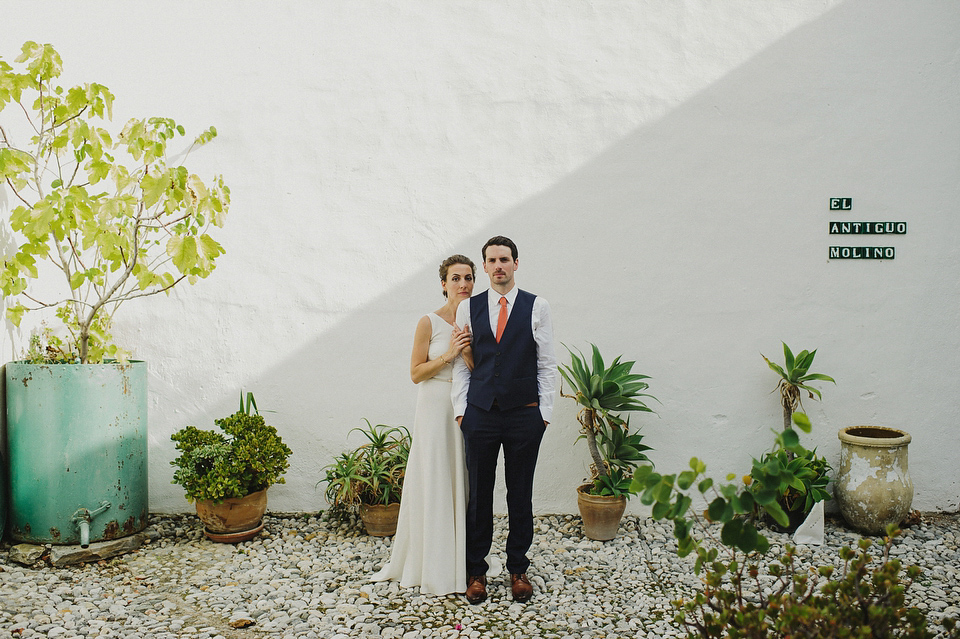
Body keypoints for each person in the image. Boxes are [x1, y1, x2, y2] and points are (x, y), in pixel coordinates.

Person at [371, 254, 501, 595]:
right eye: (456, 278)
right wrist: (449, 354)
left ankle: (466, 560)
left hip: (466, 407)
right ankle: (431, 559)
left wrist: (469, 351)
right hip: (433, 405)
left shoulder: (481, 319)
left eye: (469, 278)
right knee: (434, 475)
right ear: (444, 284)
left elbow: (484, 373)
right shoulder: (429, 321)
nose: (463, 284)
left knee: (464, 479)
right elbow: (415, 374)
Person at [452, 235, 557, 604]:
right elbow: (463, 365)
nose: (498, 266)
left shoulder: (536, 305)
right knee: (479, 495)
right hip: (480, 415)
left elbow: (546, 363)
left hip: (523, 416)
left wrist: (544, 414)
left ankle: (518, 569)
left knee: (520, 493)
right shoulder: (469, 307)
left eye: (504, 259)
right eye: (492, 260)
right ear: (484, 267)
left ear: (515, 263)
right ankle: (476, 572)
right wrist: (461, 412)